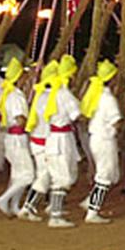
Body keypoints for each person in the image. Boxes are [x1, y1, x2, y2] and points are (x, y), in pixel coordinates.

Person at [79, 60, 123, 224]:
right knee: (104, 176)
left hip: (96, 138)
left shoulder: (96, 94)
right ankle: (92, 211)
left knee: (108, 174)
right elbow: (116, 121)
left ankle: (90, 201)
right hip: (105, 140)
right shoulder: (107, 98)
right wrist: (116, 130)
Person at [42, 55, 83, 228]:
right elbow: (77, 115)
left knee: (68, 174)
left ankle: (54, 206)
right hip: (61, 139)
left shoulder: (53, 92)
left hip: (58, 137)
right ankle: (55, 216)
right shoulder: (64, 94)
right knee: (63, 177)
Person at [18, 61, 59, 222]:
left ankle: (52, 205)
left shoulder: (41, 94)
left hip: (38, 141)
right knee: (45, 176)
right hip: (45, 142)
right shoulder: (52, 97)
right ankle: (28, 207)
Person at [0, 58, 34, 217]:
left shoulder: (11, 93)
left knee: (18, 175)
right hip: (17, 139)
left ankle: (15, 206)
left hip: (13, 138)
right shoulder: (16, 96)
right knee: (28, 175)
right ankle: (3, 199)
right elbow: (20, 120)